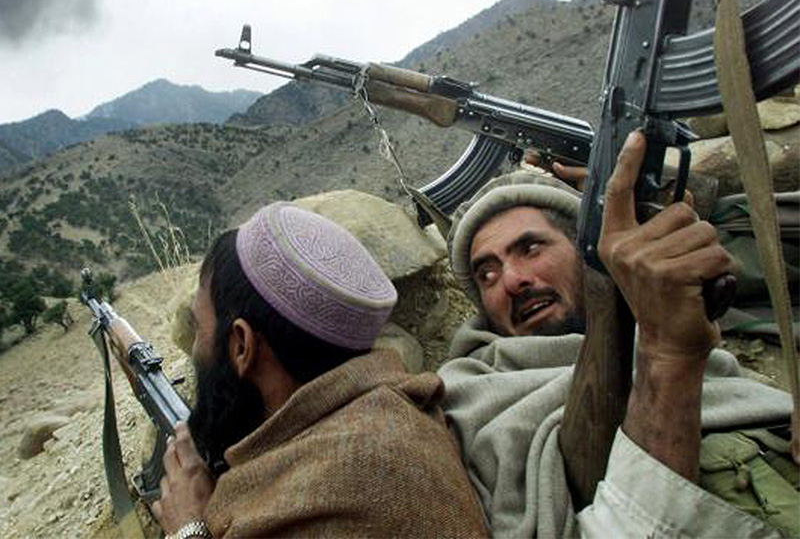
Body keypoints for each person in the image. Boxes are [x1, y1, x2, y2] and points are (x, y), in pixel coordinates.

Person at [440, 131, 797, 537]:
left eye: (531, 249)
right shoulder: (471, 398)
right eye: (487, 273)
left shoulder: (690, 339)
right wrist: (666, 357)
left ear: (587, 255)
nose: (513, 280)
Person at [151, 202, 488, 538]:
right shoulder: (398, 410)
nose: (196, 348)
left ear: (241, 345)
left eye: (199, 328)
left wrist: (188, 528)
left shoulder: (313, 501)